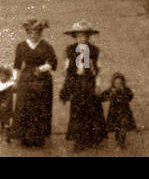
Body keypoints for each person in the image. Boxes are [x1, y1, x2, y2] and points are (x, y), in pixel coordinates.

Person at [61, 23, 107, 151]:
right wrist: (67, 85)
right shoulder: (70, 50)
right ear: (75, 37)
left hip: (89, 82)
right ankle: (78, 139)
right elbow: (67, 69)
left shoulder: (94, 50)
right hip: (76, 83)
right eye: (79, 36)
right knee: (77, 110)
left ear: (88, 37)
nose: (82, 39)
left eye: (85, 36)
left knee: (92, 109)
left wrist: (98, 85)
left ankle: (93, 136)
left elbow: (98, 70)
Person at [11, 18, 57, 147]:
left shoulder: (46, 46)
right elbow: (17, 65)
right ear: (27, 32)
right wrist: (15, 80)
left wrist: (41, 68)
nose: (34, 35)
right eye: (31, 32)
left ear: (41, 33)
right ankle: (24, 137)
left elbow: (53, 63)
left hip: (43, 80)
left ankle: (39, 138)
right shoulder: (21, 46)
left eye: (37, 32)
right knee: (25, 107)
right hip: (26, 79)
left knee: (40, 108)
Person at [102, 72, 137, 148]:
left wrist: (123, 93)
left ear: (123, 83)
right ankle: (118, 140)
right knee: (117, 127)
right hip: (114, 113)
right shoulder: (111, 90)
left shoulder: (125, 90)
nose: (118, 85)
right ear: (113, 84)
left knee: (124, 125)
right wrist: (110, 95)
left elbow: (130, 96)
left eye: (120, 83)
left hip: (124, 112)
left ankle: (121, 141)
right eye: (116, 83)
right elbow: (103, 96)